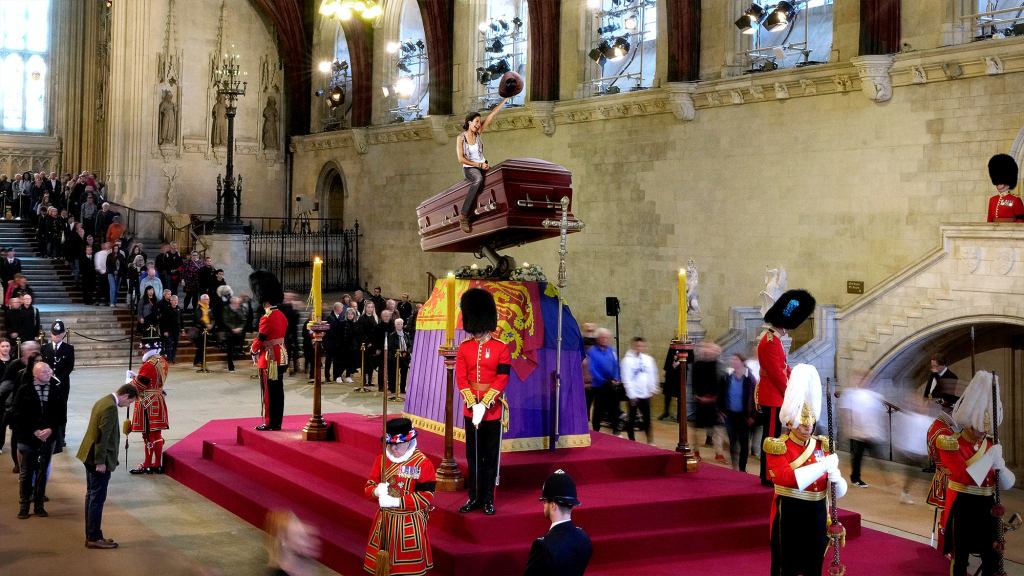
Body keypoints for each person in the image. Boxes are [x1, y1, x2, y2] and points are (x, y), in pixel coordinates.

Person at [764, 364, 848, 576]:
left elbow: (835, 492)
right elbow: (786, 479)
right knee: (787, 565)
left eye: (809, 424)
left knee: (814, 564)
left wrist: (837, 480)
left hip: (817, 510)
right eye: (802, 424)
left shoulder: (822, 445)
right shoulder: (778, 446)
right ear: (791, 422)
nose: (807, 428)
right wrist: (822, 466)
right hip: (791, 511)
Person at [937, 371, 1016, 576]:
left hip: (987, 505)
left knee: (992, 554)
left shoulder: (990, 443)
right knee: (961, 556)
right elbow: (964, 476)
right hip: (963, 505)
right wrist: (990, 458)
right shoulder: (950, 442)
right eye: (979, 427)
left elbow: (1005, 482)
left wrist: (1000, 465)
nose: (983, 432)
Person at [456, 288, 510, 516]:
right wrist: (472, 403)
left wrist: (485, 403)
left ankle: (488, 498)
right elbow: (461, 377)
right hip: (471, 411)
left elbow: (502, 377)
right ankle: (474, 497)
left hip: (492, 410)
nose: (476, 333)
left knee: (489, 456)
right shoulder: (464, 348)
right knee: (473, 455)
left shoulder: (501, 348)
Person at [756, 289, 815, 487]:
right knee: (771, 437)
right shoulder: (771, 342)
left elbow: (784, 369)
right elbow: (777, 375)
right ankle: (767, 474)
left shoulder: (775, 340)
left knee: (773, 436)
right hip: (773, 396)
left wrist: (797, 380)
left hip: (775, 396)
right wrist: (792, 394)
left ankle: (769, 472)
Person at [362, 417, 435, 576]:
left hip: (408, 525)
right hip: (384, 523)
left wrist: (396, 502)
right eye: (390, 444)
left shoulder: (423, 463)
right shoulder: (381, 459)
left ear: (409, 441)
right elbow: (368, 488)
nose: (393, 449)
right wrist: (376, 491)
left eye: (398, 444)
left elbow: (426, 497)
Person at [77, 383, 137, 548]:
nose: (128, 405)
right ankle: (94, 538)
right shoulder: (110, 407)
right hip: (97, 459)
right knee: (97, 498)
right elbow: (103, 438)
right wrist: (101, 461)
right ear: (126, 396)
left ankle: (93, 534)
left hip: (87, 454)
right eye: (130, 402)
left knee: (91, 496)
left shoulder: (103, 400)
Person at [11, 362, 67, 519]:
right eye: (44, 372)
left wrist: (51, 430)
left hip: (48, 437)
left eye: (49, 371)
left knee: (43, 471)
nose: (48, 374)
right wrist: (34, 430)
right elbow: (17, 414)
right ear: (35, 374)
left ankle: (39, 505)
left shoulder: (55, 390)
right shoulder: (25, 390)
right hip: (28, 437)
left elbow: (61, 415)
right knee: (26, 472)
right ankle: (24, 506)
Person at [454, 99, 509, 232]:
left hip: (482, 164)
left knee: (498, 174)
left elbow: (492, 115)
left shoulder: (478, 133)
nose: (479, 124)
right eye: (476, 122)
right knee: (478, 179)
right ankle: (464, 215)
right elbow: (461, 159)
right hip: (470, 168)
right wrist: (478, 165)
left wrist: (506, 99)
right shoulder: (461, 138)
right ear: (469, 122)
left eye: (479, 122)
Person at [525, 470, 593, 576]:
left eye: (544, 502)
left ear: (553, 505)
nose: (543, 505)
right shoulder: (584, 538)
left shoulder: (543, 547)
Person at [250, 271, 288, 431]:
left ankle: (270, 422)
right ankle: (277, 421)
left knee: (269, 393)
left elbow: (260, 339)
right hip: (281, 356)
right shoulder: (281, 315)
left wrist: (252, 350)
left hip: (270, 358)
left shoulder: (267, 317)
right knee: (278, 391)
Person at [127, 341, 170, 474]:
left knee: (149, 434)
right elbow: (151, 380)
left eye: (145, 349)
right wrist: (137, 376)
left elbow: (139, 385)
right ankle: (156, 464)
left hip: (147, 402)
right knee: (155, 434)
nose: (143, 352)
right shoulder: (162, 360)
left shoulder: (148, 365)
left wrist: (129, 381)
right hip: (157, 399)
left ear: (151, 349)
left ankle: (149, 463)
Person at [926, 392, 960, 551]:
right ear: (952, 409)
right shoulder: (944, 432)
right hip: (949, 477)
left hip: (941, 473)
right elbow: (954, 460)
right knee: (951, 515)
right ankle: (948, 547)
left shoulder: (937, 425)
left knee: (948, 514)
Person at [718, 352, 757, 472]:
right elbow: (721, 394)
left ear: (742, 362)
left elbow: (755, 398)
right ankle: (734, 466)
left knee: (744, 443)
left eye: (736, 360)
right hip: (730, 414)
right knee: (732, 441)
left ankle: (742, 468)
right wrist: (721, 411)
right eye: (732, 360)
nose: (733, 362)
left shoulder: (750, 379)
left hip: (744, 416)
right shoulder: (727, 377)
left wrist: (752, 416)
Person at [41, 320, 75, 446]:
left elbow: (69, 366)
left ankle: (61, 436)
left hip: (62, 384)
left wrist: (59, 378)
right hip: (47, 383)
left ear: (64, 334)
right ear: (51, 334)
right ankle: (49, 434)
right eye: (54, 334)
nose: (57, 336)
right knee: (47, 408)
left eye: (59, 334)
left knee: (61, 409)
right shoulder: (45, 348)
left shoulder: (69, 349)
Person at [620, 336, 658, 444]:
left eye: (642, 346)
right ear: (633, 346)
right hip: (633, 395)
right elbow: (626, 378)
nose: (639, 348)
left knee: (647, 419)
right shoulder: (626, 360)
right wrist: (631, 395)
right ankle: (631, 440)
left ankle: (650, 441)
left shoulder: (648, 359)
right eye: (637, 346)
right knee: (631, 419)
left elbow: (652, 374)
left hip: (645, 394)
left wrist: (653, 389)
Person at [692, 342, 725, 461]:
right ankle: (696, 451)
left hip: (715, 403)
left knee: (718, 430)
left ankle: (719, 453)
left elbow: (722, 385)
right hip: (701, 401)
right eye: (708, 349)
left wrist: (717, 401)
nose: (710, 352)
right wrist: (698, 396)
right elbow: (694, 383)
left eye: (714, 350)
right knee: (698, 429)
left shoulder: (719, 366)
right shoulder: (697, 365)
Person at [265, 510, 321, 576]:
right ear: (284, 541)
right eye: (301, 537)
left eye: (307, 534)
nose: (315, 541)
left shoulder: (302, 561)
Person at [586, 328, 620, 433]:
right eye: (602, 337)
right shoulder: (591, 351)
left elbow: (616, 365)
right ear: (598, 339)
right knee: (599, 408)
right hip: (599, 385)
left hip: (611, 383)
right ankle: (596, 429)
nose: (605, 339)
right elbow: (591, 368)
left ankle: (616, 428)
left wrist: (617, 378)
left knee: (614, 407)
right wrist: (603, 380)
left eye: (607, 337)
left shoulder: (612, 350)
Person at [985, 153, 1024, 222]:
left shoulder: (1016, 200)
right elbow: (989, 219)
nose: (999, 184)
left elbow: (1021, 220)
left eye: (1001, 181)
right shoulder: (992, 200)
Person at [387, 318, 412, 401]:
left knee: (404, 373)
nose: (400, 325)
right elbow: (391, 346)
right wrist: (400, 353)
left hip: (405, 357)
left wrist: (407, 352)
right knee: (393, 373)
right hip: (395, 357)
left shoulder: (406, 334)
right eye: (398, 324)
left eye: (401, 324)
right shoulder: (392, 335)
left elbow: (409, 345)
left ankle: (402, 389)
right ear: (395, 325)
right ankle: (393, 389)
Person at [193, 293, 214, 367]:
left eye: (208, 299)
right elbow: (199, 319)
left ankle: (201, 361)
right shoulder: (199, 308)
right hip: (200, 330)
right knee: (201, 347)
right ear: (201, 300)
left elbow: (212, 318)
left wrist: (211, 324)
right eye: (206, 299)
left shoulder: (208, 308)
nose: (208, 300)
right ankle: (198, 362)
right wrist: (206, 325)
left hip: (207, 330)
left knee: (203, 347)